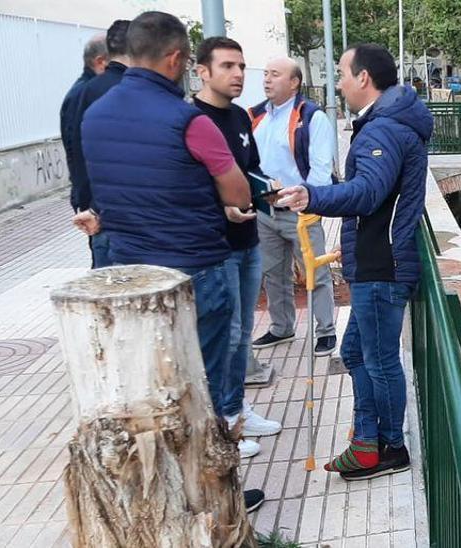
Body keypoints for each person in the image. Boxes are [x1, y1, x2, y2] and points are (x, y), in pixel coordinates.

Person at [75, 11, 264, 512]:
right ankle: (217, 498)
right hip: (197, 270)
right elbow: (239, 189)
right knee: (203, 390)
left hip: (133, 277)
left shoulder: (94, 114)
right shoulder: (189, 120)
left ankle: (164, 499)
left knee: (153, 390)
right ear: (179, 59)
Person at [276, 43, 433, 480]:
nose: (339, 81)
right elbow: (380, 202)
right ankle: (368, 440)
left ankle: (388, 447)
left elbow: (367, 192)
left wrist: (312, 196)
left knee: (379, 360)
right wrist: (356, 239)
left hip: (383, 268)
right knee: (355, 352)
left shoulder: (383, 131)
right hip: (375, 258)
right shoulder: (387, 125)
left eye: (342, 73)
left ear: (364, 78)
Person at [192, 36, 283, 459]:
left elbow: (250, 171)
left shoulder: (242, 119)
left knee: (244, 329)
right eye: (227, 66)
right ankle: (223, 421)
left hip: (249, 240)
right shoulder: (191, 119)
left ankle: (237, 407)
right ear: (202, 71)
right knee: (225, 336)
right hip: (216, 248)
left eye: (242, 66)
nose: (238, 74)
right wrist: (222, 208)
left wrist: (269, 191)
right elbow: (191, 185)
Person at [249, 57, 338, 356]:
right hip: (266, 209)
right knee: (273, 271)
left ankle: (326, 330)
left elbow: (321, 168)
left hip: (300, 209)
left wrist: (307, 201)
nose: (266, 80)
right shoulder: (256, 116)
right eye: (265, 74)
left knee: (315, 270)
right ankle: (281, 327)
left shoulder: (312, 117)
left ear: (294, 82)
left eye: (275, 74)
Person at [68, 20, 129, 268]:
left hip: (100, 213)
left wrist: (87, 204)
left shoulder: (86, 90)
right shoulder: (137, 89)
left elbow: (77, 153)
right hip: (123, 217)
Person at [60, 33, 106, 216]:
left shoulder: (87, 89)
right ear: (101, 61)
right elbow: (77, 149)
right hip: (95, 201)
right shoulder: (85, 93)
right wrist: (87, 201)